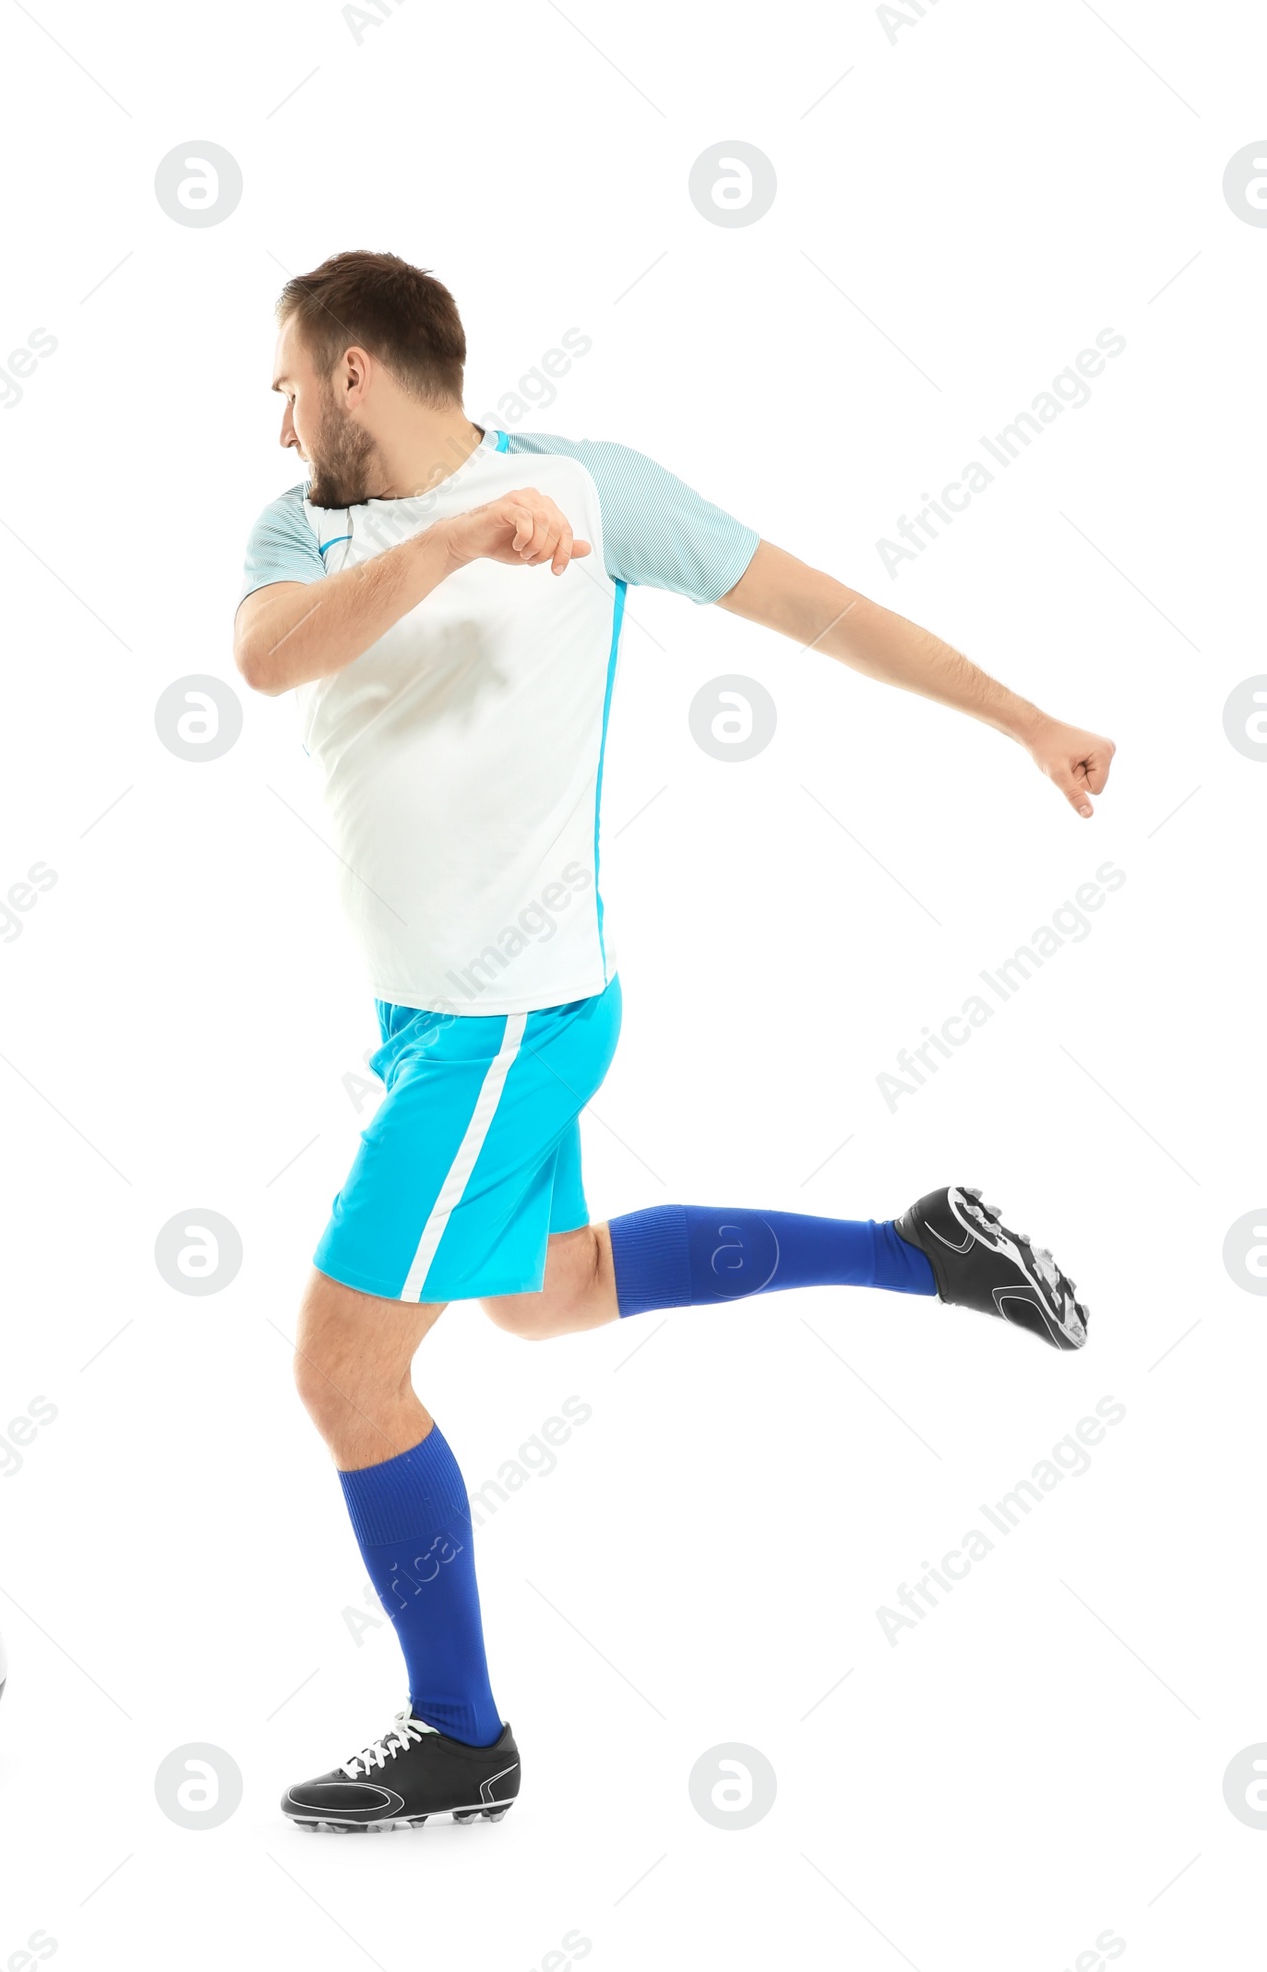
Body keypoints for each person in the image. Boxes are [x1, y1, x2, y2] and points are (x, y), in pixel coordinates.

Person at [233, 250, 1114, 1832]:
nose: (276, 413)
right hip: (431, 1018)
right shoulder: (303, 525)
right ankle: (920, 1248)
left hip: (511, 1024)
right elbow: (270, 654)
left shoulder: (588, 489)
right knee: (549, 1302)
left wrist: (1026, 718)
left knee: (345, 1369)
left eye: (288, 381)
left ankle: (461, 1734)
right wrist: (450, 543)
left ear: (356, 369)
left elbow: (823, 610)